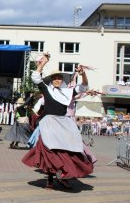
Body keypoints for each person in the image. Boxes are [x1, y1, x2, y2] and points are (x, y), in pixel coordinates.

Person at [21, 53, 94, 190]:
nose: (57, 80)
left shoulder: (68, 92)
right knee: (49, 151)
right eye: (54, 78)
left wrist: (83, 73)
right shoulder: (47, 90)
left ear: (62, 80)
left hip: (64, 123)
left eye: (59, 78)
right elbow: (35, 77)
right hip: (49, 123)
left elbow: (84, 86)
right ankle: (50, 179)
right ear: (52, 80)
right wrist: (43, 63)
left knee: (67, 150)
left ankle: (64, 176)